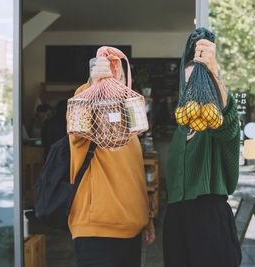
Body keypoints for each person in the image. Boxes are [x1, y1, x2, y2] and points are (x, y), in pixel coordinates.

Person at [68, 56, 155, 267]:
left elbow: (136, 178)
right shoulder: (86, 127)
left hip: (131, 231)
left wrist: (147, 218)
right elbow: (80, 109)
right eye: (111, 76)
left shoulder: (130, 131)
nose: (116, 81)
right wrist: (92, 84)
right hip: (97, 233)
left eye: (121, 77)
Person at [163, 38, 242, 267]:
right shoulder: (181, 129)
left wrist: (214, 72)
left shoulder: (216, 123)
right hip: (176, 219)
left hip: (208, 219)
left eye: (199, 83)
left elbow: (228, 120)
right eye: (187, 85)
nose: (193, 90)